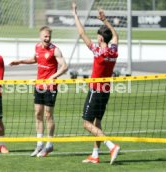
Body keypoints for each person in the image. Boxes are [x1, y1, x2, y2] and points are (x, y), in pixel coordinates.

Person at [72, 1, 120, 165]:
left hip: (96, 90)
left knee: (86, 123)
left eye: (97, 36)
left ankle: (111, 145)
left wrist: (75, 15)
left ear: (100, 38)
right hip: (106, 91)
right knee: (97, 122)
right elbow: (116, 36)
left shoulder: (98, 52)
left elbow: (81, 33)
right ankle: (95, 154)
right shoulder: (113, 51)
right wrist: (105, 20)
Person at [9, 26, 68, 157]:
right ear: (40, 37)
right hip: (39, 86)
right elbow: (34, 59)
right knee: (38, 114)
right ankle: (39, 145)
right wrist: (20, 61)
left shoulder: (55, 50)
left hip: (50, 87)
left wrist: (53, 77)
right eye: (45, 36)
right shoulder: (37, 47)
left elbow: (65, 66)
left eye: (49, 36)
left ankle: (49, 144)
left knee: (48, 115)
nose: (47, 39)